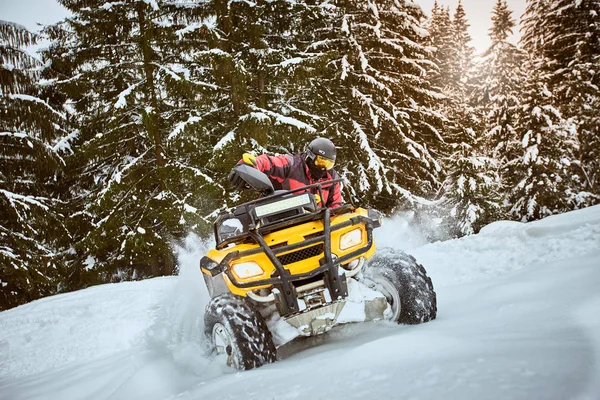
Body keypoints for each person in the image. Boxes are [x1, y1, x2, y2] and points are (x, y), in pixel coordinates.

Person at [228, 137, 343, 209]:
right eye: (320, 162)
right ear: (310, 156)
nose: (323, 168)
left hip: (314, 227)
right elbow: (270, 162)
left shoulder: (331, 179)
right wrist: (251, 166)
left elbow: (336, 206)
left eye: (329, 165)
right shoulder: (292, 164)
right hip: (277, 220)